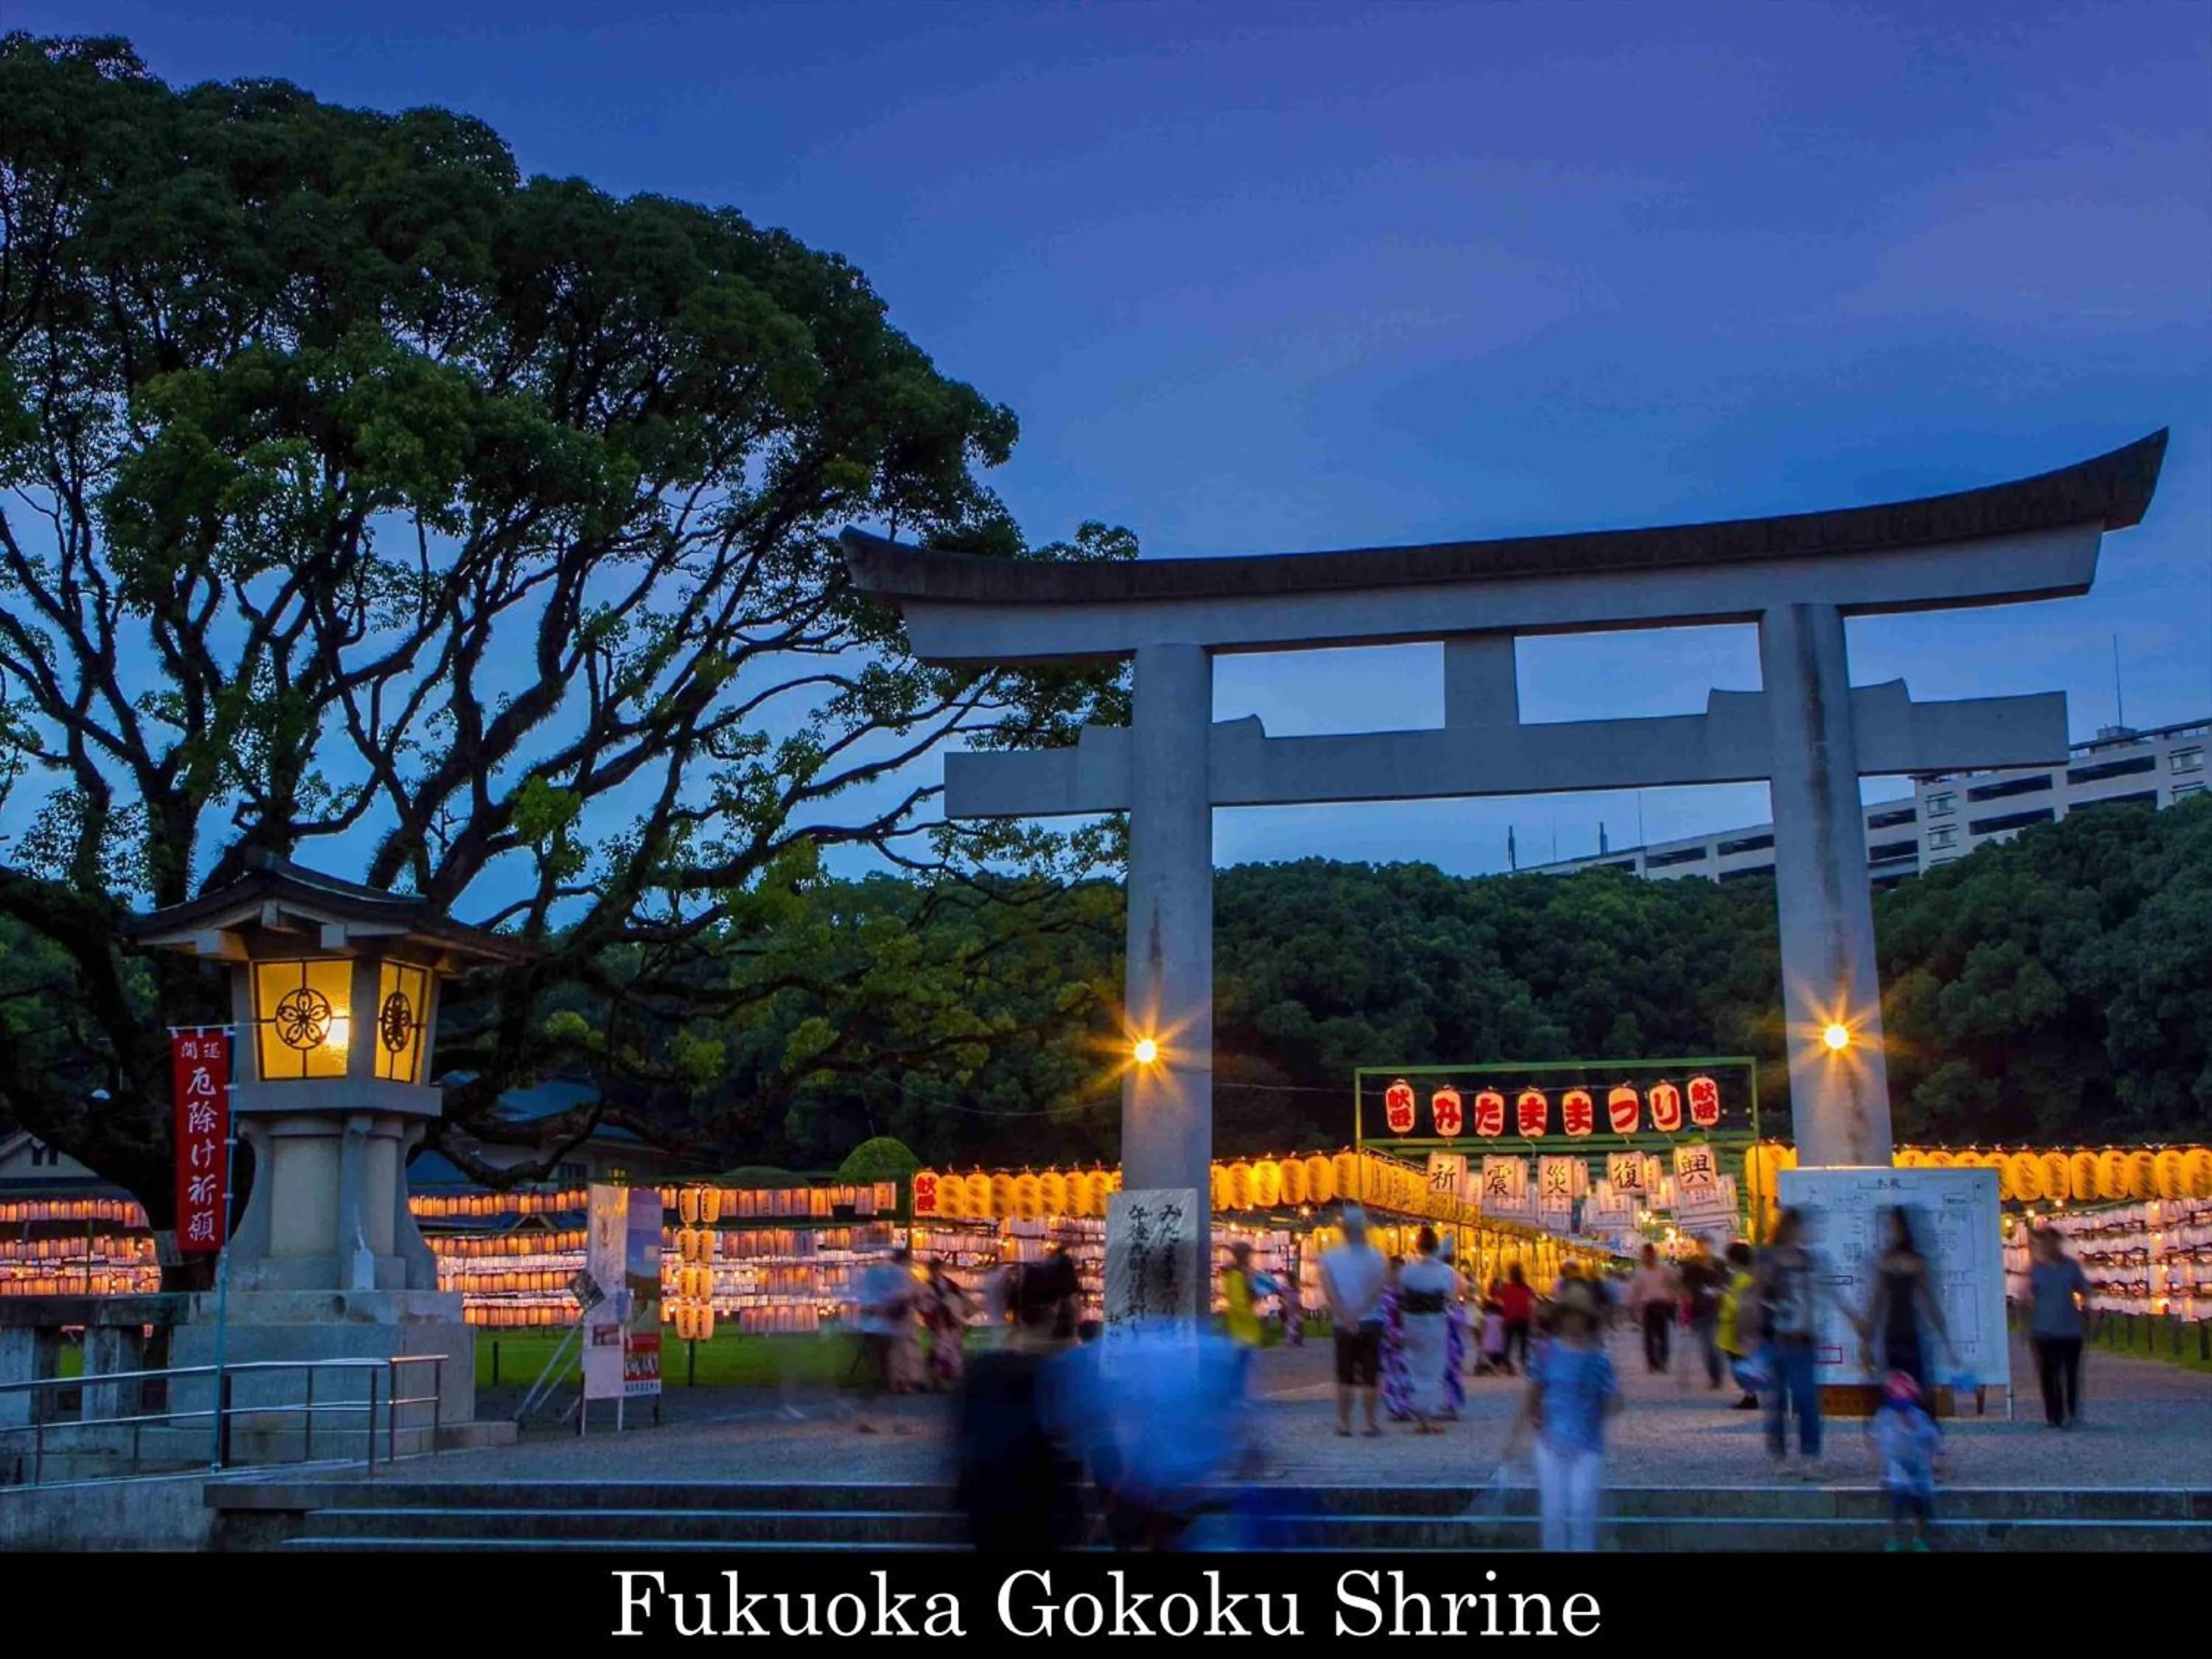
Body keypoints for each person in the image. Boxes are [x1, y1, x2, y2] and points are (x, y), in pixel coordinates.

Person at [955, 1263, 1085, 1551]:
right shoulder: (1062, 1373)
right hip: (1040, 1508)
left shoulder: (984, 1369)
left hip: (990, 1507)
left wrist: (996, 1312)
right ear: (1055, 1311)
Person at [1503, 1278, 1621, 1552]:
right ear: (1562, 1317)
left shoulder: (1599, 1359)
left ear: (1587, 1319)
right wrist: (1513, 1436)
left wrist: (1610, 1395)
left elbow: (1612, 1403)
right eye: (1569, 1314)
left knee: (1582, 1508)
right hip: (1550, 1443)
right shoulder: (1546, 1353)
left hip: (1587, 1445)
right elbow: (1531, 1395)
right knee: (1553, 1512)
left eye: (1579, 1315)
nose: (1573, 1320)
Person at [1754, 1207, 1829, 1478]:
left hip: (1803, 1338)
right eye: (1798, 1228)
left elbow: (1820, 1295)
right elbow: (1756, 1293)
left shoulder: (1809, 1260)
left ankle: (1810, 1456)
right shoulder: (1768, 1258)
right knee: (1775, 1401)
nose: (1803, 1234)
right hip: (1774, 1337)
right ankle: (1779, 1455)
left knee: (1806, 1398)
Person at [1854, 1207, 1955, 1393]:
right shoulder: (1888, 1261)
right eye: (1889, 1227)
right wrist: (1865, 1343)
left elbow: (1930, 1303)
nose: (1891, 1232)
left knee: (1914, 1390)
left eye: (1894, 1227)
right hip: (1893, 1335)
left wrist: (1947, 1344)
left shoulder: (1914, 1262)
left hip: (1910, 1334)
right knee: (1895, 1392)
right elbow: (1875, 1305)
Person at [1319, 1207, 1390, 1437]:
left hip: (1342, 1323)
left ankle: (1344, 1422)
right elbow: (1377, 1290)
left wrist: (1346, 1316)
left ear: (1344, 1230)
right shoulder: (1378, 1256)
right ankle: (1370, 1422)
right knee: (1370, 1375)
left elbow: (1330, 1292)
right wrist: (1360, 1313)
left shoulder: (1330, 1257)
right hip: (1371, 1320)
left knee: (1344, 1374)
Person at [2027, 1227, 2093, 1429]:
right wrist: (2026, 1326)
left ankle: (2071, 1411)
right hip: (2043, 1330)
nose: (2047, 1247)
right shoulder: (2036, 1270)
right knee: (2048, 1374)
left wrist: (2088, 1316)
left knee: (2070, 1373)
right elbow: (2027, 1298)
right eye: (2043, 1243)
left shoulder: (2071, 1267)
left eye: (2051, 1242)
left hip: (2070, 1330)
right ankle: (2053, 1415)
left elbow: (2084, 1292)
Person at [1870, 1370, 1941, 1552]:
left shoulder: (1919, 1418)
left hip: (1918, 1471)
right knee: (1896, 1509)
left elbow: (1933, 1439)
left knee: (1919, 1509)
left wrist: (1933, 1462)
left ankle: (1918, 1539)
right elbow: (1878, 1442)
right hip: (1897, 1472)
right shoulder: (1885, 1417)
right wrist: (1883, 1471)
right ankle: (1893, 1540)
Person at [1397, 1228, 1458, 1433]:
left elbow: (1401, 1292)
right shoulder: (1445, 1272)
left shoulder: (1408, 1271)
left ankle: (1421, 1416)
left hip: (1413, 1321)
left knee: (1415, 1366)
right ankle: (1430, 1414)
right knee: (1434, 1368)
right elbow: (1449, 1295)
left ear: (1418, 1247)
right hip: (1435, 1321)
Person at [855, 1246, 916, 1434]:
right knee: (885, 1374)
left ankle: (870, 1417)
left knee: (879, 1373)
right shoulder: (901, 1276)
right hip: (885, 1330)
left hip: (870, 1329)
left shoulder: (874, 1274)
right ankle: (892, 1420)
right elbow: (902, 1302)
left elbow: (865, 1302)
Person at [1715, 1241, 1761, 1410]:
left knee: (1740, 1362)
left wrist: (1724, 1296)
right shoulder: (1747, 1277)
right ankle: (1750, 1394)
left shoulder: (1743, 1279)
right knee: (1742, 1361)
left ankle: (1751, 1395)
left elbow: (1741, 1305)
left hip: (1738, 1326)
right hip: (1738, 1326)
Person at [1680, 1239, 1726, 1391]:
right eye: (1702, 1247)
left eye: (1707, 1247)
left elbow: (1725, 1285)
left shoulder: (1719, 1265)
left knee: (1712, 1345)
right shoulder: (1691, 1267)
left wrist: (1717, 1287)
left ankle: (1716, 1377)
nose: (1705, 1250)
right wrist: (1684, 1308)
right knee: (1706, 1347)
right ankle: (1714, 1376)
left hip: (1716, 1310)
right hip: (1698, 1311)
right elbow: (1685, 1288)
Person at [1629, 1245, 1679, 1375]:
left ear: (1653, 1255)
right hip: (1648, 1306)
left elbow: (1675, 1283)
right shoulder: (1640, 1272)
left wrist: (1673, 1297)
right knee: (1648, 1337)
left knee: (1663, 1335)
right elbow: (1635, 1291)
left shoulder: (1665, 1270)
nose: (1646, 1258)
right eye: (1644, 1255)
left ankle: (1662, 1361)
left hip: (1662, 1304)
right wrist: (1634, 1308)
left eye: (1648, 1255)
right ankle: (1652, 1363)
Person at [924, 1260, 972, 1391]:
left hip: (953, 1323)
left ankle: (953, 1379)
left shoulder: (949, 1284)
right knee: (941, 1351)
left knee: (953, 1351)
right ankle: (939, 1380)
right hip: (940, 1324)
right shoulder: (929, 1287)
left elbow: (962, 1298)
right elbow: (927, 1306)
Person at [1380, 1258, 1413, 1423]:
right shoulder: (1385, 1294)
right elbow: (1383, 1316)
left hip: (1404, 1335)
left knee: (1405, 1373)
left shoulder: (1406, 1293)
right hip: (1390, 1337)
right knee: (1392, 1374)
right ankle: (1395, 1408)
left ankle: (1404, 1407)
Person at [1495, 1263, 1537, 1376]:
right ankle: (1523, 1364)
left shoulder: (1507, 1288)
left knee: (1508, 1343)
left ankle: (1505, 1365)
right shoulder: (1527, 1288)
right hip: (1524, 1318)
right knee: (1523, 1343)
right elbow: (1532, 1303)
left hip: (1510, 1317)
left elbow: (1498, 1299)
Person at [1477, 1284, 1509, 1377]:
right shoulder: (1500, 1319)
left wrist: (1481, 1338)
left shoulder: (1486, 1318)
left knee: (1487, 1356)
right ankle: (1496, 1369)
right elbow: (1503, 1329)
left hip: (1488, 1340)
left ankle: (1491, 1369)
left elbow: (1483, 1329)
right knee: (1497, 1357)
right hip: (1498, 1341)